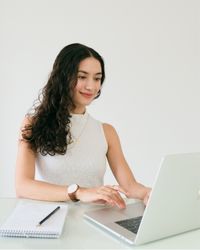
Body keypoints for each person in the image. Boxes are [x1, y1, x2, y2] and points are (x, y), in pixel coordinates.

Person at [15, 43, 150, 209]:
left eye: (97, 78)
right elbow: (23, 186)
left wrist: (148, 193)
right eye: (82, 76)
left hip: (97, 222)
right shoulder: (33, 124)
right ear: (63, 77)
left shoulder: (107, 132)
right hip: (51, 222)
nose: (91, 86)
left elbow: (130, 186)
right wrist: (79, 192)